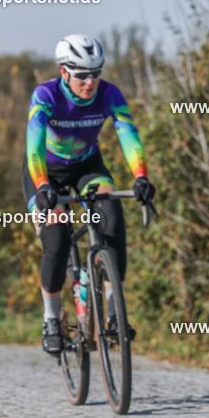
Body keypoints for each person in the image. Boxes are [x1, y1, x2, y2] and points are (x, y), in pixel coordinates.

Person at [24, 34, 156, 354]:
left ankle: (113, 311)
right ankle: (52, 319)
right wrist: (42, 186)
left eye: (96, 73)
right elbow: (34, 143)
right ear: (64, 72)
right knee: (56, 240)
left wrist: (141, 177)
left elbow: (128, 133)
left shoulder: (110, 94)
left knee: (112, 218)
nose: (90, 81)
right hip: (46, 172)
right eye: (82, 74)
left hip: (87, 167)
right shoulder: (46, 95)